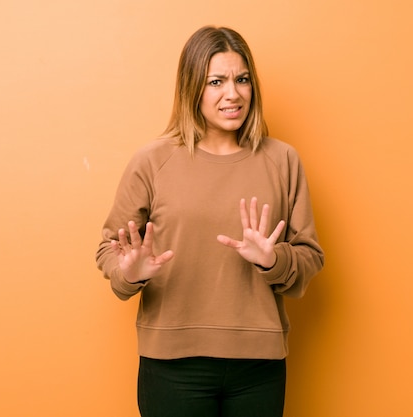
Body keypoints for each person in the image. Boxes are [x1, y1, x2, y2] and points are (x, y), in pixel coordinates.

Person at [96, 25, 324, 417]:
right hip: (171, 364)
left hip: (259, 364)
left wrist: (273, 261)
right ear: (191, 89)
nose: (232, 94)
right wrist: (130, 271)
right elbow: (109, 250)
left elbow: (310, 257)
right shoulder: (153, 162)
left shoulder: (283, 160)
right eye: (215, 81)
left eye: (242, 80)